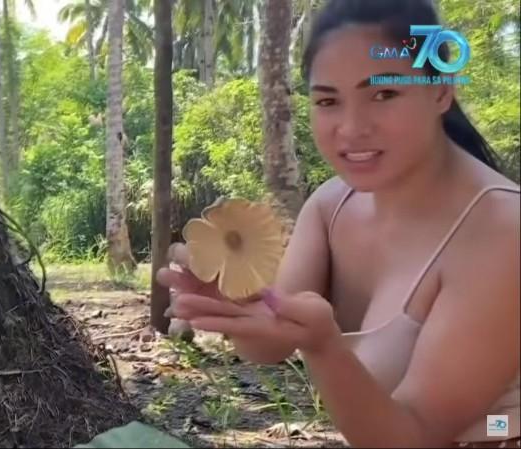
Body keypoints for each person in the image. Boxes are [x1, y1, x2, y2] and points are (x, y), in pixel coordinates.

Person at [157, 0, 520, 447]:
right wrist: (234, 301)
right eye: (328, 100)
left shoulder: (502, 229)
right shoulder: (332, 204)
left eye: (384, 94)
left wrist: (326, 348)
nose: (351, 128)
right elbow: (268, 345)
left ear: (440, 91)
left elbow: (417, 435)